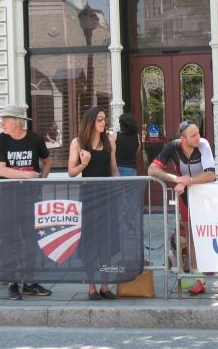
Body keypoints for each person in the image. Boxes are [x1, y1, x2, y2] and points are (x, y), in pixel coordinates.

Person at [148, 120, 216, 296]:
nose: (198, 137)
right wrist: (176, 178)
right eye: (193, 135)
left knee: (205, 233)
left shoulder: (203, 145)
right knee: (192, 237)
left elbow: (211, 174)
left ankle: (207, 265)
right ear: (182, 139)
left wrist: (189, 180)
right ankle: (198, 279)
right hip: (186, 197)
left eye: (198, 133)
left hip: (205, 196)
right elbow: (152, 170)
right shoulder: (173, 147)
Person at [0, 104, 52, 300]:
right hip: (9, 198)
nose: (2, 123)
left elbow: (47, 160)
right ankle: (12, 283)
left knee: (31, 241)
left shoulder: (35, 139)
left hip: (30, 198)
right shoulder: (1, 140)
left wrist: (41, 179)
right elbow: (2, 170)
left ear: (18, 122)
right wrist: (28, 175)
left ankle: (29, 281)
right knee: (10, 240)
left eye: (6, 120)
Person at [68, 106, 120, 300]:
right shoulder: (78, 142)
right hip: (89, 196)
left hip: (107, 196)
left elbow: (113, 169)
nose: (103, 122)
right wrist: (84, 163)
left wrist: (122, 191)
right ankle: (91, 287)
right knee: (90, 243)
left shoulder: (110, 141)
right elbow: (71, 172)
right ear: (90, 121)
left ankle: (105, 286)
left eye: (104, 119)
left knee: (106, 242)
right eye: (99, 119)